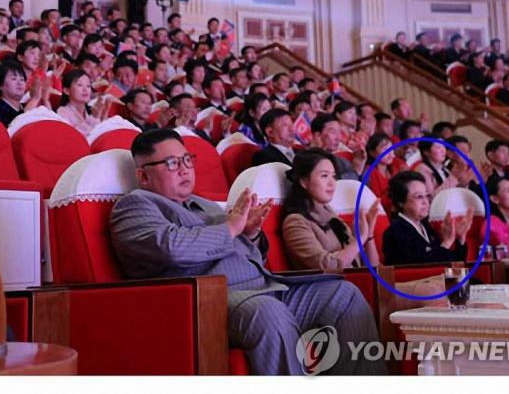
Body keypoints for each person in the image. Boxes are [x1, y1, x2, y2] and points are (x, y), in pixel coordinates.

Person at [109, 129, 385, 375]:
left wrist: (249, 232)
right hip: (206, 302)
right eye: (171, 163)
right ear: (143, 176)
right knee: (267, 312)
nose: (184, 169)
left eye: (186, 160)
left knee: (343, 295)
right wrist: (231, 228)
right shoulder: (135, 205)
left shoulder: (205, 206)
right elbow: (170, 247)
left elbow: (248, 255)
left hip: (264, 288)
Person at [282, 148, 380, 271]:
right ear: (304, 181)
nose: (332, 183)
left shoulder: (333, 218)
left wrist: (369, 236)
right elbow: (326, 266)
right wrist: (360, 239)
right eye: (324, 176)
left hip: (358, 285)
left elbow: (374, 269)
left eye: (333, 176)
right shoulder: (295, 222)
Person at [382, 171, 471, 266]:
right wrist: (447, 242)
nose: (425, 202)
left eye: (427, 196)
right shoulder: (395, 232)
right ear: (401, 201)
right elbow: (423, 267)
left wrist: (460, 239)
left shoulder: (426, 226)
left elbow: (452, 262)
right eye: (419, 197)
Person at [0, 61, 45, 127]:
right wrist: (35, 99)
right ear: (0, 85)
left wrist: (45, 100)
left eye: (22, 79)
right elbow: (14, 129)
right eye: (14, 79)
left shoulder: (26, 107)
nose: (19, 83)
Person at [309, 113, 363, 181]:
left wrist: (359, 164)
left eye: (339, 132)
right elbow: (333, 183)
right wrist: (356, 171)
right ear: (318, 135)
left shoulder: (340, 161)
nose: (338, 138)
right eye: (333, 132)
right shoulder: (303, 157)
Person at [57, 69, 106, 137]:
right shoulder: (62, 112)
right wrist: (94, 118)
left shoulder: (91, 111)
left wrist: (97, 117)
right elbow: (71, 137)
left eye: (88, 86)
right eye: (80, 85)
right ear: (67, 90)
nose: (85, 90)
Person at [365, 132, 401, 214]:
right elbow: (376, 202)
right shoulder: (370, 172)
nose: (390, 152)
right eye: (385, 149)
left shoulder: (394, 169)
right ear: (372, 152)